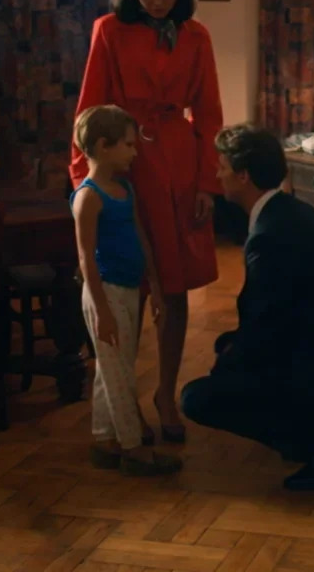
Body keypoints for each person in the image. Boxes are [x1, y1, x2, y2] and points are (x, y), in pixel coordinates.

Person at [70, 0, 224, 442]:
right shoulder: (108, 30)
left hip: (178, 164)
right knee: (125, 288)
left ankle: (165, 393)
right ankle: (124, 400)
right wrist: (85, 180)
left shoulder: (196, 36)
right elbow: (89, 108)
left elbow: (210, 115)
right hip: (125, 162)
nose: (157, 2)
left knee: (173, 287)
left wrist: (207, 182)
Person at [180, 125, 314, 491]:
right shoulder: (286, 213)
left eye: (223, 167)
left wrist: (229, 363)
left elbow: (268, 327)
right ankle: (309, 432)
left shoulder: (269, 234)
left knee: (197, 398)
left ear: (243, 176)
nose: (217, 174)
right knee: (228, 358)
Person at [71, 105, 180, 476]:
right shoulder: (88, 197)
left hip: (130, 289)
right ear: (104, 146)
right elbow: (86, 258)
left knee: (113, 368)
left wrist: (156, 288)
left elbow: (141, 239)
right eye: (129, 145)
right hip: (105, 293)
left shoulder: (125, 190)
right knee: (120, 375)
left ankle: (104, 439)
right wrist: (101, 309)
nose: (135, 152)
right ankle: (133, 448)